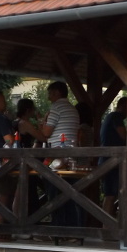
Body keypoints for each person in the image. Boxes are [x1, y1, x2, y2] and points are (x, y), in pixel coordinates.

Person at [41, 82, 81, 231]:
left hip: (56, 157)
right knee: (69, 193)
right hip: (71, 157)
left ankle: (57, 228)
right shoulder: (73, 109)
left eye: (50, 93)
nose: (48, 97)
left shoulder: (56, 108)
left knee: (54, 192)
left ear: (57, 93)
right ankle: (71, 228)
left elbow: (46, 133)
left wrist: (43, 122)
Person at [99, 96, 127, 216]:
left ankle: (107, 223)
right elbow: (124, 136)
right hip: (110, 162)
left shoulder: (111, 117)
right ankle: (106, 224)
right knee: (110, 195)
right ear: (122, 106)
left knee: (111, 195)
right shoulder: (116, 117)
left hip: (107, 161)